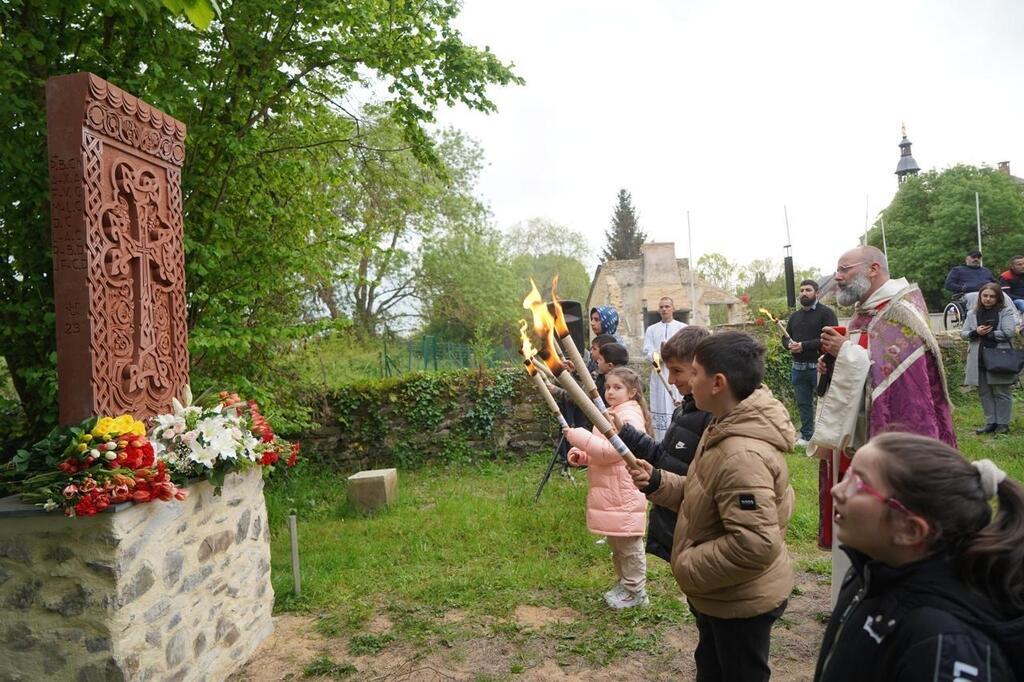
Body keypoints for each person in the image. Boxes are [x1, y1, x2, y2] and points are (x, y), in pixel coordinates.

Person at [630, 331, 796, 681]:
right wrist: (660, 483)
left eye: (694, 373)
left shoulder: (742, 455)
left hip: (739, 599)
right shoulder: (722, 426)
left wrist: (687, 564)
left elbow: (754, 544)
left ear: (717, 382)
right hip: (721, 594)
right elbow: (705, 491)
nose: (686, 381)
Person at [814, 433, 1024, 681]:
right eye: (846, 476)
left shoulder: (945, 645)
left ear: (910, 530)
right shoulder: (870, 571)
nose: (836, 490)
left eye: (858, 484)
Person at [815, 246, 956, 601]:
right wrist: (831, 366)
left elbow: (894, 378)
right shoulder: (866, 312)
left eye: (844, 269)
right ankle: (854, 594)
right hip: (857, 435)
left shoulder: (900, 313)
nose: (838, 277)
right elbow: (863, 366)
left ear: (874, 268)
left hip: (888, 434)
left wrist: (843, 354)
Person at [614, 326, 712, 564]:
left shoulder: (713, 418)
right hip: (676, 524)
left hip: (697, 531)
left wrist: (657, 480)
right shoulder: (684, 411)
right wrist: (626, 433)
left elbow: (708, 487)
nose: (670, 379)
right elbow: (663, 456)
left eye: (677, 370)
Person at [564, 367, 653, 609]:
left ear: (633, 392)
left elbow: (613, 451)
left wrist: (578, 436)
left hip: (624, 491)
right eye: (607, 387)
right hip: (611, 491)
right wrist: (583, 455)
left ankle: (637, 592)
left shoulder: (630, 416)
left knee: (629, 547)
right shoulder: (611, 411)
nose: (610, 392)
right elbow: (601, 451)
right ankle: (625, 584)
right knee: (617, 544)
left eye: (617, 387)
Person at [783, 279, 838, 448]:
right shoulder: (795, 316)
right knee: (803, 403)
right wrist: (789, 345)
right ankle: (807, 436)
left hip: (819, 367)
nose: (804, 293)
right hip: (798, 368)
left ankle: (826, 437)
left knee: (825, 403)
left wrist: (804, 346)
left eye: (808, 290)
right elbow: (785, 337)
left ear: (817, 293)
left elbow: (830, 339)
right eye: (801, 290)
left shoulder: (826, 314)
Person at [961, 282, 1019, 435]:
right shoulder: (972, 314)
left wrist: (989, 334)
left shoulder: (1005, 311)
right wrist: (976, 332)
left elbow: (1009, 332)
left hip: (998, 357)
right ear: (980, 296)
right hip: (978, 357)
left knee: (1001, 391)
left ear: (998, 297)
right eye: (985, 295)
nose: (988, 299)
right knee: (984, 391)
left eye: (992, 296)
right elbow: (964, 333)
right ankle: (991, 422)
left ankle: (1003, 424)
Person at [643, 297, 687, 440]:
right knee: (660, 405)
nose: (664, 309)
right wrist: (658, 357)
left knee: (677, 402)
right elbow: (647, 350)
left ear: (673, 308)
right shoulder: (651, 329)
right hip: (659, 373)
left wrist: (672, 357)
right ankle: (661, 440)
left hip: (676, 371)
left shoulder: (682, 328)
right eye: (661, 307)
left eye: (667, 306)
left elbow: (686, 349)